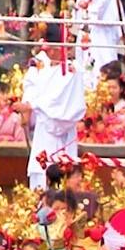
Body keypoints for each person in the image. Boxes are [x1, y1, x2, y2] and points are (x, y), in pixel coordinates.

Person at [21, 46, 87, 189]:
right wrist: (27, 107)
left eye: (54, 49)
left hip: (64, 128)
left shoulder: (72, 71)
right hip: (43, 130)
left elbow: (59, 101)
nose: (50, 52)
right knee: (40, 172)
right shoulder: (41, 67)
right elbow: (31, 88)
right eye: (48, 49)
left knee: (66, 172)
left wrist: (32, 105)